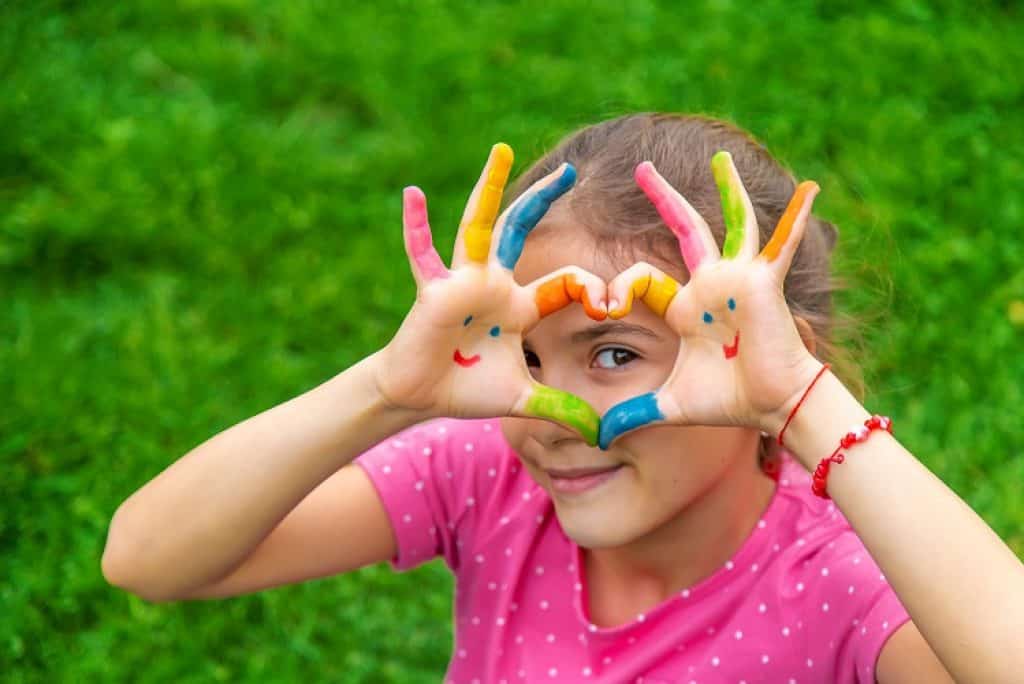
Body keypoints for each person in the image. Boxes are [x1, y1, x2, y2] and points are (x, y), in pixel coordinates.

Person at [102, 113, 1023, 683]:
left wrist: (804, 406)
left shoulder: (837, 583)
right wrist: (388, 388)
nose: (553, 414)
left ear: (761, 366)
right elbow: (149, 558)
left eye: (615, 352)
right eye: (528, 357)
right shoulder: (484, 478)